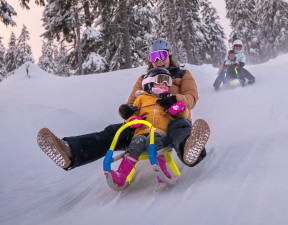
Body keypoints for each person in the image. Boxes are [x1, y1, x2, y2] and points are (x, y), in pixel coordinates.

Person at [37, 39, 209, 173]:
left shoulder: (182, 74)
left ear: (169, 56)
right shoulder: (144, 79)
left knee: (180, 129)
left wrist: (175, 99)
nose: (158, 61)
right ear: (150, 60)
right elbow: (130, 104)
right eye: (153, 57)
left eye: (162, 56)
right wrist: (126, 111)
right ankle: (70, 151)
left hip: (172, 117)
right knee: (113, 131)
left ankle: (189, 148)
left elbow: (192, 97)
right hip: (145, 123)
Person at [111, 67, 189, 186]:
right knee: (134, 145)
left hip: (160, 132)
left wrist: (177, 108)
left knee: (155, 143)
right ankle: (121, 175)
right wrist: (133, 120)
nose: (165, 83)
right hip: (141, 132)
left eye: (168, 81)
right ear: (149, 82)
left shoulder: (169, 99)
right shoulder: (141, 99)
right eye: (161, 79)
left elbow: (184, 114)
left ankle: (162, 172)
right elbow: (133, 114)